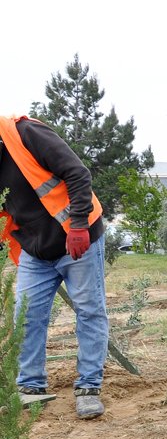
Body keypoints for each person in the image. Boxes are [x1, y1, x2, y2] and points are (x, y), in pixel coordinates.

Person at [0, 115, 110, 419]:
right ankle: (31, 386)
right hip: (35, 248)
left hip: (77, 238)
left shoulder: (25, 133)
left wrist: (78, 226)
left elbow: (78, 173)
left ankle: (88, 388)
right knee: (27, 314)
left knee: (89, 310)